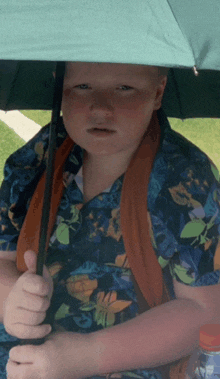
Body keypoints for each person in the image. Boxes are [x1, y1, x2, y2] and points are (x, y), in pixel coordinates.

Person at [0, 61, 220, 379]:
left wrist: (86, 357)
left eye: (124, 89)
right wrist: (12, 300)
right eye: (83, 87)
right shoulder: (37, 158)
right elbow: (4, 257)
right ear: (59, 84)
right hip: (22, 353)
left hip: (128, 363)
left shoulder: (188, 181)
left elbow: (205, 312)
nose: (101, 109)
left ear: (158, 91)